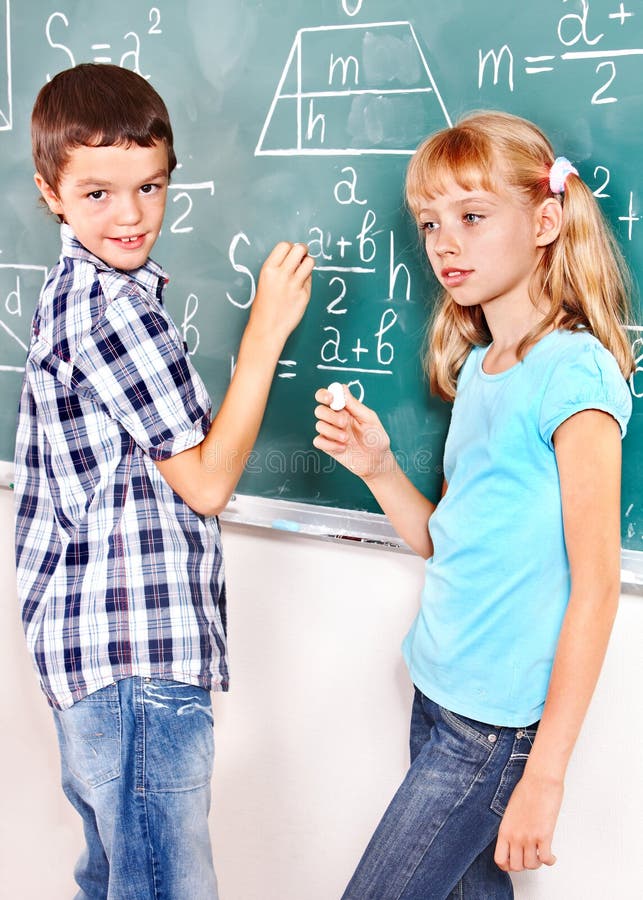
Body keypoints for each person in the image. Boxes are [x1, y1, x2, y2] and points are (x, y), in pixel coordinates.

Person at [313, 110, 634, 898]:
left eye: (471, 216)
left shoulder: (574, 375)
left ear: (545, 220)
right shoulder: (484, 368)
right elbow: (446, 541)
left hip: (491, 733)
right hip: (436, 692)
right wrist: (380, 468)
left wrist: (545, 777)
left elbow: (594, 588)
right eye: (429, 222)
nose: (443, 242)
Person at [15, 63, 313, 899]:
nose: (131, 215)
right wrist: (264, 334)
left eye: (149, 187)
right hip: (134, 657)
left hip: (100, 658)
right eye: (99, 194)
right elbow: (208, 484)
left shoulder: (78, 293)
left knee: (118, 876)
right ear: (52, 193)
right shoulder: (113, 310)